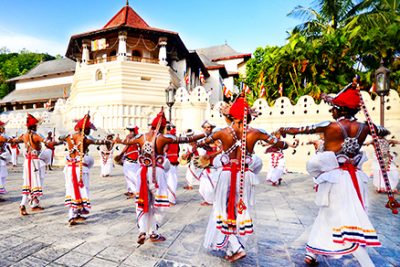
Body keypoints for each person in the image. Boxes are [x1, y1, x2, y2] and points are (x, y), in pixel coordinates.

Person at [278, 81, 386, 266]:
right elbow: (383, 131)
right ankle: (312, 251)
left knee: (343, 217)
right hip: (354, 179)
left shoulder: (330, 125)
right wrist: (372, 126)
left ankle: (365, 261)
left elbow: (301, 130)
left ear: (340, 109)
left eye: (333, 108)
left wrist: (284, 130)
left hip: (336, 179)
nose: (331, 111)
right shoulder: (364, 127)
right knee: (327, 214)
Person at [200, 94, 292, 262]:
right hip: (245, 175)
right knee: (240, 209)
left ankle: (236, 246)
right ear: (248, 115)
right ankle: (231, 248)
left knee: (223, 209)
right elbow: (279, 143)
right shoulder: (256, 132)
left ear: (232, 115)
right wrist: (288, 143)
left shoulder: (222, 132)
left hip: (227, 174)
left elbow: (202, 142)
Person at [115, 109, 206, 244]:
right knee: (158, 204)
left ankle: (142, 231)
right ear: (163, 127)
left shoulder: (141, 137)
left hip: (142, 172)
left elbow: (126, 142)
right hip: (156, 174)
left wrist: (118, 140)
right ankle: (153, 232)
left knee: (142, 202)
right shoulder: (163, 138)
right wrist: (205, 134)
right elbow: (187, 139)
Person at [59, 114, 109, 226]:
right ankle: (74, 214)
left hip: (69, 167)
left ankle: (74, 214)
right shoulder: (86, 139)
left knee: (71, 189)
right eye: (89, 129)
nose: (90, 132)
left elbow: (59, 138)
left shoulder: (69, 136)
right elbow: (99, 142)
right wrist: (108, 140)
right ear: (85, 129)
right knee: (82, 189)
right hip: (80, 168)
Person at [12, 114, 59, 215]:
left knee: (28, 184)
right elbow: (47, 143)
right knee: (37, 183)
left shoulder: (24, 136)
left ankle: (26, 204)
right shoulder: (36, 135)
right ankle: (30, 204)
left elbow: (14, 141)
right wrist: (58, 142)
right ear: (34, 127)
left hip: (27, 162)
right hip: (35, 163)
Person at [197, 120, 221, 205]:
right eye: (205, 127)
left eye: (209, 127)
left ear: (211, 128)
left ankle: (212, 200)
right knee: (204, 185)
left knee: (212, 185)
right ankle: (208, 200)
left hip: (214, 164)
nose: (207, 129)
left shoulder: (215, 138)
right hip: (206, 164)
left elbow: (222, 149)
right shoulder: (202, 139)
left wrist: (211, 155)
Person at [115, 124, 140, 198]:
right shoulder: (137, 136)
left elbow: (126, 145)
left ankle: (136, 191)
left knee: (129, 175)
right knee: (133, 175)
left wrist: (121, 154)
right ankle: (131, 191)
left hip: (130, 157)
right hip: (135, 156)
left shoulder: (129, 136)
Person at [164, 125, 180, 205]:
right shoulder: (176, 139)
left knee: (169, 181)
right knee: (173, 180)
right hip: (174, 160)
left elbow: (165, 149)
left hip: (168, 162)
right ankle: (170, 198)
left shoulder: (168, 139)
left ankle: (171, 200)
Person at [0, 121, 11, 195]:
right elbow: (9, 140)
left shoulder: (4, 135)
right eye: (3, 127)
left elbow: (9, 140)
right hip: (1, 158)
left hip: (2, 158)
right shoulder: (2, 137)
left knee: (3, 175)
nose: (4, 129)